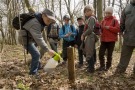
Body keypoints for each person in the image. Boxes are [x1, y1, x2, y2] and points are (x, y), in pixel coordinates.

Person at [18, 9, 56, 75]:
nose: (49, 22)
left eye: (51, 20)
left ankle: (38, 66)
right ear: (43, 16)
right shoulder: (35, 23)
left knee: (37, 52)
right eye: (48, 19)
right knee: (36, 54)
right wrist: (48, 49)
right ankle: (33, 73)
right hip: (25, 39)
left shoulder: (40, 21)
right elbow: (38, 38)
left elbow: (39, 36)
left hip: (31, 38)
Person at [115, 0, 135, 74]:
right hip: (128, 36)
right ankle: (120, 69)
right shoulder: (127, 8)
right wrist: (120, 30)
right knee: (125, 54)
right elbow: (122, 20)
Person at [97, 6, 120, 71]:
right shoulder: (103, 21)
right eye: (106, 13)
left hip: (111, 40)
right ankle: (102, 66)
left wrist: (109, 28)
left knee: (109, 54)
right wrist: (100, 33)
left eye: (109, 13)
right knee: (101, 53)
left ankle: (108, 66)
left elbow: (118, 29)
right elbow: (100, 29)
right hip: (103, 40)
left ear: (111, 13)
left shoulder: (115, 20)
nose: (107, 14)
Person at [81, 5, 98, 73]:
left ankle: (91, 69)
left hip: (90, 36)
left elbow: (90, 29)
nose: (87, 12)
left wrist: (83, 34)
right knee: (86, 51)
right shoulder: (88, 19)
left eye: (89, 10)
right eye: (85, 11)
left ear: (92, 11)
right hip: (89, 37)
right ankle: (91, 66)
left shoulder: (91, 18)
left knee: (89, 52)